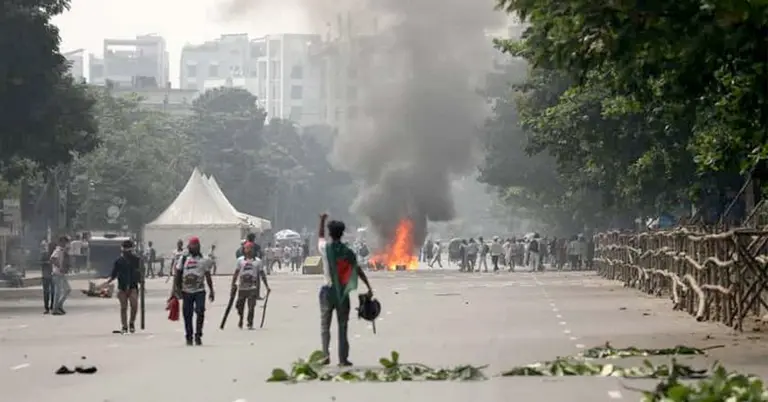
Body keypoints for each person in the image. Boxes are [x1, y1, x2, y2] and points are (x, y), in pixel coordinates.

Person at [318, 213, 373, 366]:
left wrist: (322, 220)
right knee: (343, 326)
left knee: (325, 325)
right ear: (342, 234)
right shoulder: (348, 252)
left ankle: (325, 355)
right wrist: (368, 286)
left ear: (331, 233)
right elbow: (358, 270)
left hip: (327, 292)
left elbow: (320, 237)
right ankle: (343, 359)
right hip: (342, 293)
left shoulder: (325, 248)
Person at [173, 237, 215, 346]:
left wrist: (211, 290)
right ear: (189, 246)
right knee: (187, 314)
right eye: (192, 246)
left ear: (199, 247)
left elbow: (208, 275)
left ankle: (198, 335)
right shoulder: (183, 259)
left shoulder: (204, 260)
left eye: (196, 246)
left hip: (199, 291)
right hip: (186, 291)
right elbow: (177, 274)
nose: (194, 248)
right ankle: (189, 336)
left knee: (200, 311)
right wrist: (176, 289)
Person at [101, 240, 141, 333]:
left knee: (134, 306)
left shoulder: (136, 260)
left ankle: (131, 323)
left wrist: (141, 282)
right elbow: (114, 274)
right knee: (123, 307)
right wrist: (107, 282)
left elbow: (140, 272)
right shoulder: (119, 261)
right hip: (122, 287)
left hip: (133, 286)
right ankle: (124, 326)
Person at [231, 242, 270, 329]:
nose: (248, 250)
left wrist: (267, 286)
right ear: (244, 250)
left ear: (253, 250)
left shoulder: (258, 262)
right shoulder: (240, 260)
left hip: (252, 287)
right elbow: (236, 272)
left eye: (250, 249)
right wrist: (233, 283)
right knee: (239, 306)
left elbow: (262, 274)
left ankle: (250, 323)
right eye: (246, 248)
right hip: (242, 287)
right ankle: (241, 318)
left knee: (251, 306)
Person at [50, 236, 71, 315]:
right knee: (58, 292)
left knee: (68, 289)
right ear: (61, 242)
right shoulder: (58, 250)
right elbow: (52, 259)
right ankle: (55, 309)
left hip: (61, 274)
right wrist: (60, 267)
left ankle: (59, 305)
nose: (66, 244)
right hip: (57, 274)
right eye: (65, 242)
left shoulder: (63, 251)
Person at [41, 240, 55, 314]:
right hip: (46, 275)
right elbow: (41, 263)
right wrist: (48, 262)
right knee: (46, 292)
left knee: (53, 292)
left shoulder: (56, 254)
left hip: (53, 275)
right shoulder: (44, 254)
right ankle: (46, 307)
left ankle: (52, 306)